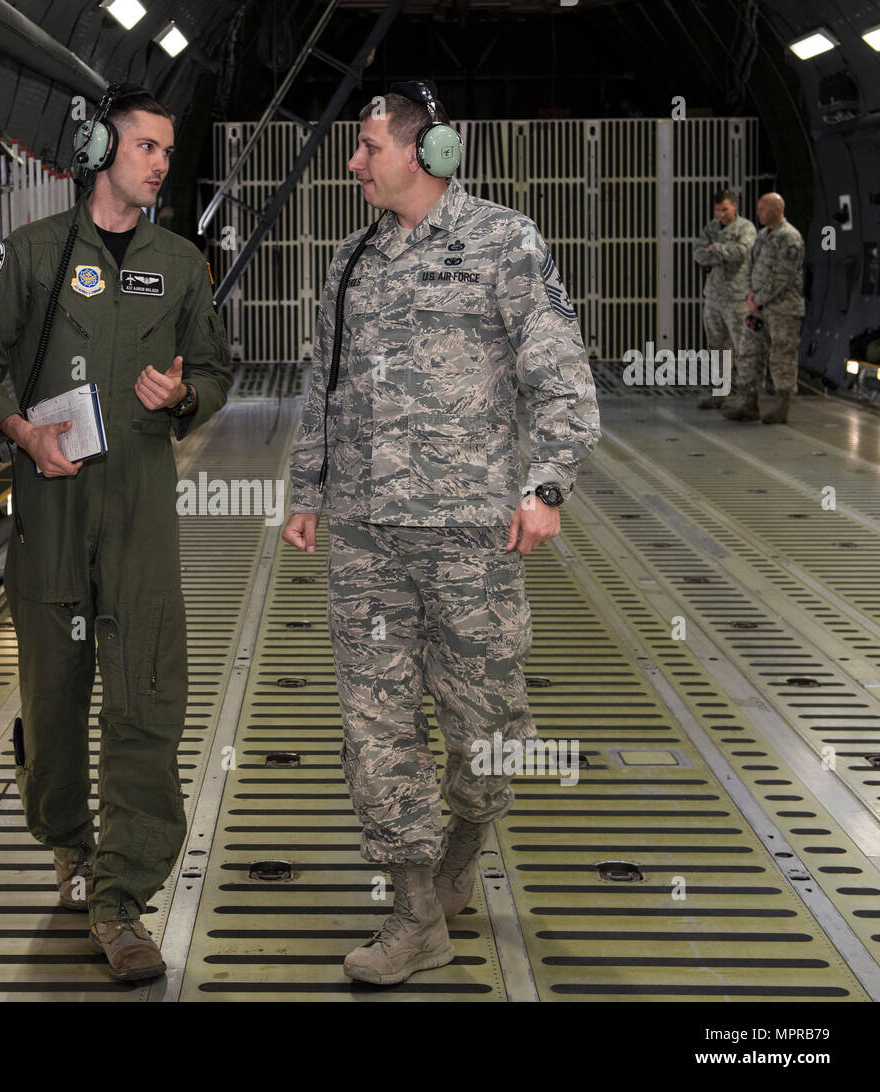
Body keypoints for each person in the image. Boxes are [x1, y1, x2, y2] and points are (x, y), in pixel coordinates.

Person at [282, 82, 600, 985]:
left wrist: (547, 488)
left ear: (428, 152)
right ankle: (415, 909)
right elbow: (324, 386)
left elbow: (563, 380)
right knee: (373, 723)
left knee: (486, 726)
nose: (354, 164)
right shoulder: (350, 259)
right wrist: (309, 489)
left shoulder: (505, 242)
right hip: (366, 536)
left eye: (368, 148)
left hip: (474, 535)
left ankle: (463, 842)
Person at [0, 85, 232, 982]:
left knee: (146, 700)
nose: (159, 162)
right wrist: (22, 433)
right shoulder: (31, 258)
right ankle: (67, 842)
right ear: (99, 147)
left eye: (166, 150)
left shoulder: (181, 266)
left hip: (141, 518)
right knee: (55, 699)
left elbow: (216, 368)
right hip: (55, 515)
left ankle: (123, 899)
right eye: (146, 145)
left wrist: (183, 397)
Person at [722, 192, 805, 424]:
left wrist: (760, 298)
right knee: (749, 352)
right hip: (757, 308)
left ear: (777, 209)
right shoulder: (762, 236)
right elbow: (751, 266)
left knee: (782, 356)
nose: (758, 212)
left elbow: (783, 276)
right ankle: (750, 403)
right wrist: (750, 294)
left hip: (782, 310)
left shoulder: (790, 237)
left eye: (762, 208)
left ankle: (782, 406)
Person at [694, 189, 755, 409]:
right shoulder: (711, 227)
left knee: (742, 347)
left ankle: (747, 395)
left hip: (737, 297)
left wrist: (716, 249)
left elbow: (743, 252)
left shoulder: (745, 228)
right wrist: (722, 252)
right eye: (718, 209)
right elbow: (698, 253)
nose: (721, 214)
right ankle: (720, 393)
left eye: (725, 209)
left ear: (735, 207)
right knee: (717, 347)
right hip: (713, 296)